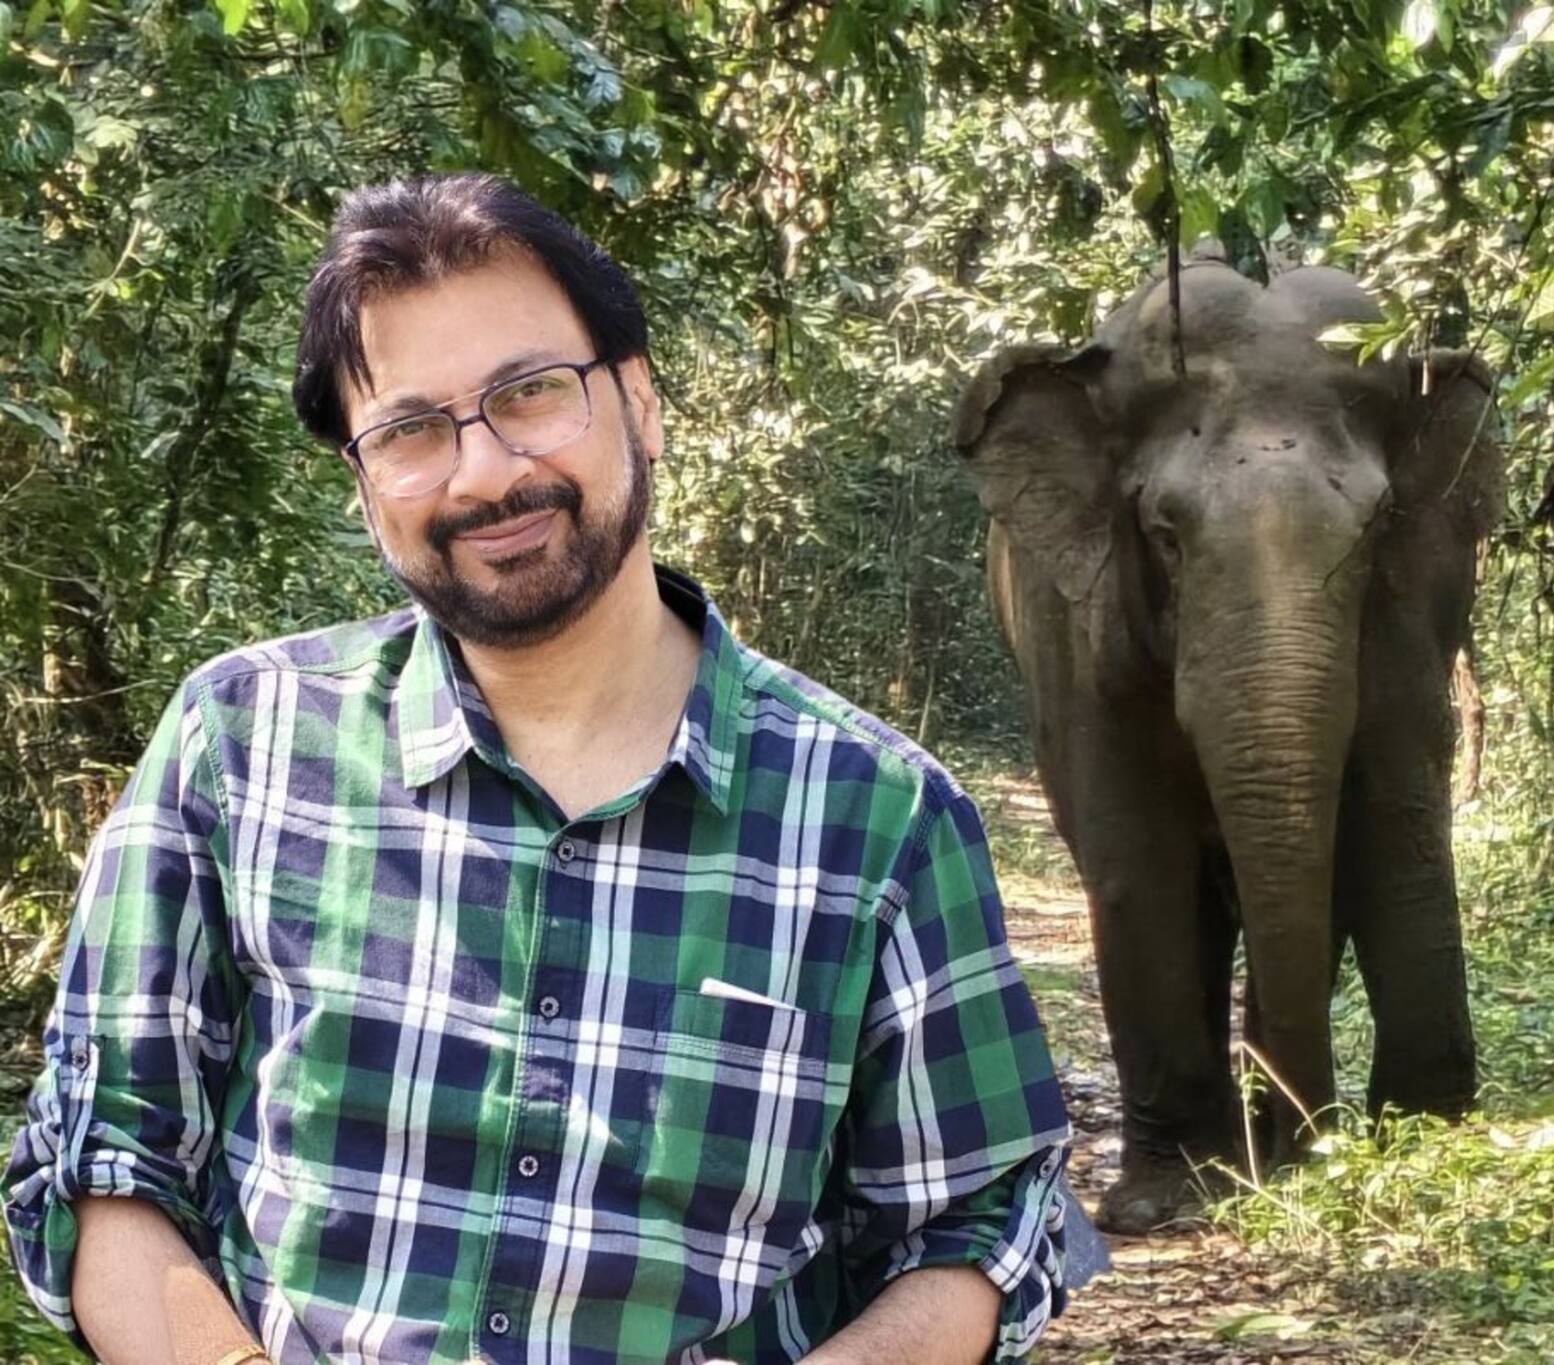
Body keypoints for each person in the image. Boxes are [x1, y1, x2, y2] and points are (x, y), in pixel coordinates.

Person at [4, 172, 1074, 1365]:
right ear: (363, 485)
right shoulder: (239, 747)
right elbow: (107, 1159)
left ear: (641, 403)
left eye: (530, 392)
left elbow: (976, 1226)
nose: (482, 472)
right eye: (410, 429)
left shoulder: (877, 814)